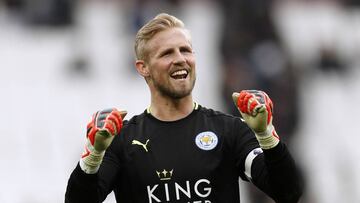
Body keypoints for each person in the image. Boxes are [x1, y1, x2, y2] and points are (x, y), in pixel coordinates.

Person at [65, 13, 303, 203]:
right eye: (167, 53)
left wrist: (266, 136)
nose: (180, 58)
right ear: (143, 68)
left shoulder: (229, 130)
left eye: (185, 50)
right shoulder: (123, 140)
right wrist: (93, 155)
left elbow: (288, 192)